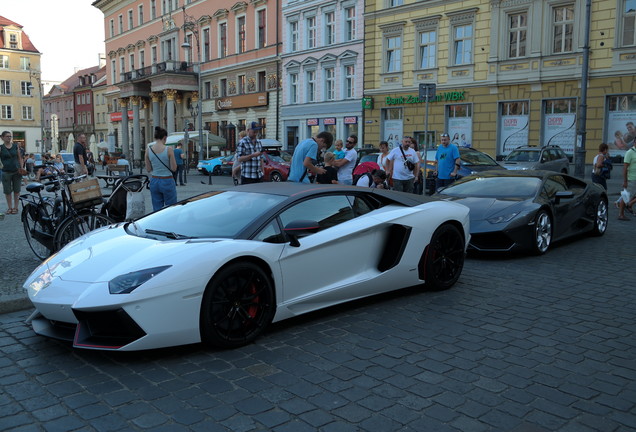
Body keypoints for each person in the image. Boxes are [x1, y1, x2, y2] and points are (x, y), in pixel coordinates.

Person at [145, 126, 177, 211]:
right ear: (165, 138)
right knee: (171, 208)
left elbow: (148, 169)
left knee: (157, 209)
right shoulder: (169, 149)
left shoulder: (148, 150)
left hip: (154, 180)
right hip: (167, 180)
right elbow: (174, 168)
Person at [1, 131, 24, 214]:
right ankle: (10, 207)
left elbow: (19, 158)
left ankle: (16, 207)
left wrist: (21, 168)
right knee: (7, 191)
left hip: (16, 171)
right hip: (6, 172)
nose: (9, 138)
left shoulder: (15, 146)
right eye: (7, 136)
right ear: (2, 137)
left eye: (10, 136)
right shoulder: (1, 148)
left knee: (17, 190)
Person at [618, 146, 636, 221]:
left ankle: (629, 205)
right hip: (631, 179)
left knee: (627, 196)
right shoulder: (630, 152)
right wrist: (625, 181)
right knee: (626, 196)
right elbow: (625, 168)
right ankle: (621, 214)